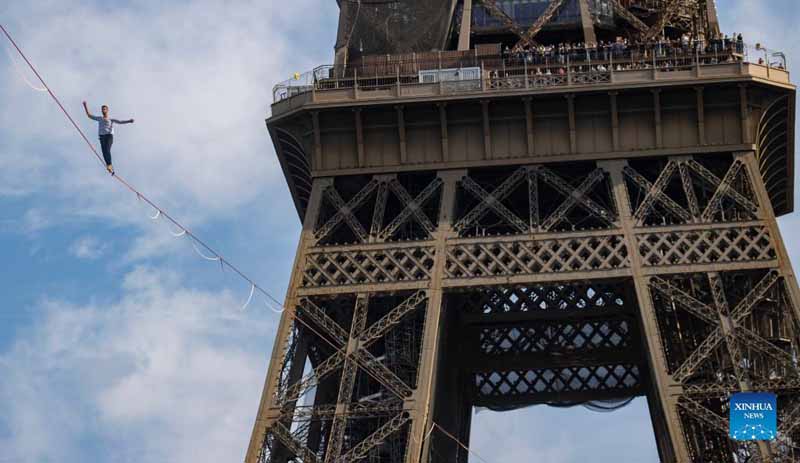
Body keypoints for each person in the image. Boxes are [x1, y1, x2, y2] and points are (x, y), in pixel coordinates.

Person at [82, 101, 134, 175]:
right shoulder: (99, 118)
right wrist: (85, 106)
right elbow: (89, 115)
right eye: (102, 109)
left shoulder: (111, 119)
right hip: (102, 137)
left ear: (107, 110)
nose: (103, 110)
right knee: (104, 152)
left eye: (104, 109)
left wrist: (129, 121)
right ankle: (109, 166)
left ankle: (109, 164)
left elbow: (120, 122)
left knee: (107, 149)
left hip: (109, 136)